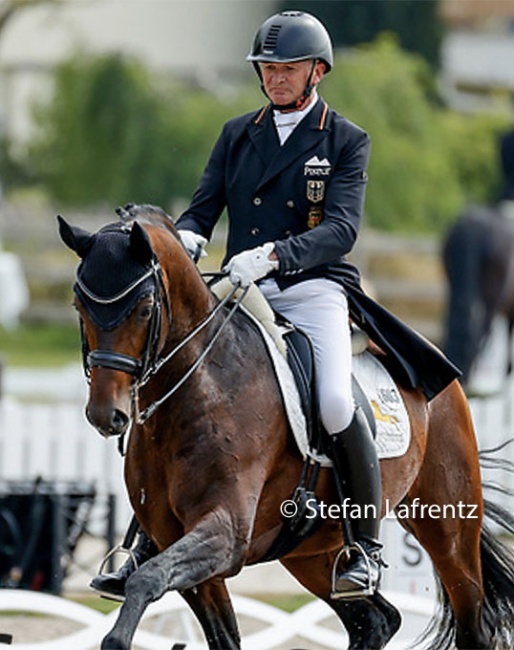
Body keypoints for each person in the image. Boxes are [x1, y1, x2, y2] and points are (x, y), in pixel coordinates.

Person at [91, 10, 460, 602]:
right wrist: (188, 238)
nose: (275, 78)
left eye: (287, 69)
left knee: (337, 400)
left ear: (317, 71)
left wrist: (275, 256)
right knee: (180, 388)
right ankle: (145, 540)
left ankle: (363, 548)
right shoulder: (238, 133)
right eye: (267, 69)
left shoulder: (346, 139)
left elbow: (340, 229)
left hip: (312, 287)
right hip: (240, 289)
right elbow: (204, 205)